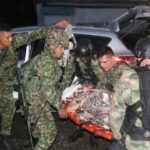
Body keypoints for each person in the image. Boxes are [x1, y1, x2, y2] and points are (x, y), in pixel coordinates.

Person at [0, 20, 70, 146]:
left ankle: (4, 137)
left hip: (10, 82)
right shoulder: (47, 61)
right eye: (7, 37)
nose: (11, 39)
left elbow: (34, 35)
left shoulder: (13, 43)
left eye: (11, 36)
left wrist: (55, 26)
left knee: (8, 109)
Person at [20, 28, 74, 150]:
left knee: (40, 129)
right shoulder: (47, 62)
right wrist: (60, 108)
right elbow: (48, 89)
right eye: (61, 48)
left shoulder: (44, 56)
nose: (62, 51)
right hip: (36, 100)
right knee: (50, 134)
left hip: (32, 97)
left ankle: (35, 140)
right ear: (52, 46)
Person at [108, 36, 150, 150]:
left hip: (138, 142)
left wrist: (117, 137)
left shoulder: (129, 78)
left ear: (139, 55)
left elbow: (116, 112)